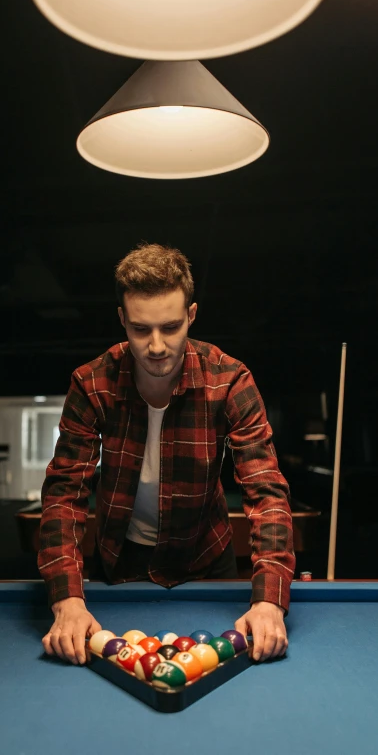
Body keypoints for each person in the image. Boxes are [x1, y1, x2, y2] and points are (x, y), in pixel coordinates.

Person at [39, 244, 295, 666]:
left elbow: (267, 493)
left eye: (171, 327)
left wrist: (269, 601)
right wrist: (66, 598)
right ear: (122, 319)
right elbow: (64, 495)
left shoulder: (230, 380)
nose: (156, 346)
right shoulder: (90, 384)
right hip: (117, 562)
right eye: (141, 329)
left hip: (206, 559)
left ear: (191, 316)